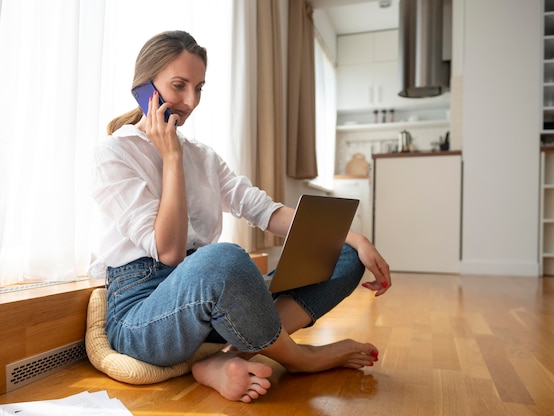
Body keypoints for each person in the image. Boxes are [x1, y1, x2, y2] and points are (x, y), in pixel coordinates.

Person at [89, 30, 392, 403]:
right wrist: (170, 158)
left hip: (209, 299)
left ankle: (230, 356)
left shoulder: (203, 155)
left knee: (343, 256)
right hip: (145, 315)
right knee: (225, 258)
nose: (189, 101)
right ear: (145, 88)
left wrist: (354, 238)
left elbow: (263, 210)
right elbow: (168, 253)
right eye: (178, 86)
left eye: (198, 88)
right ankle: (299, 358)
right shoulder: (114, 154)